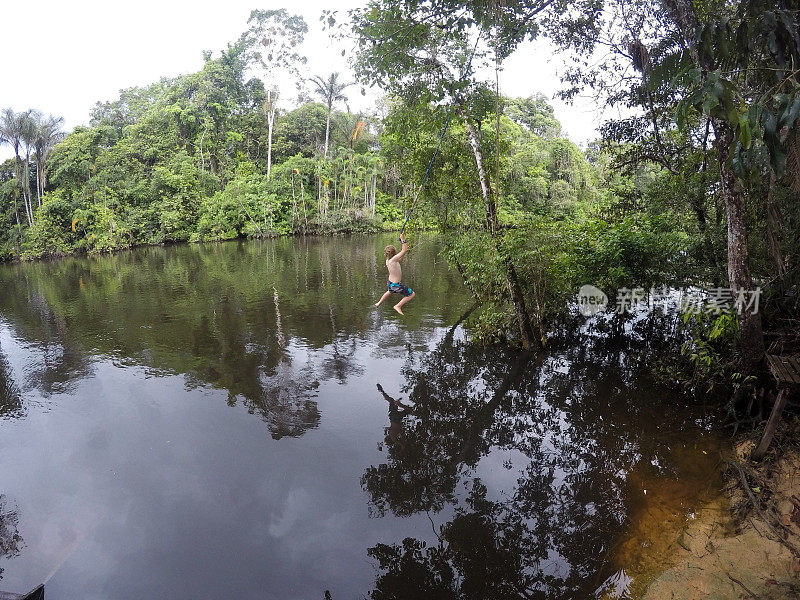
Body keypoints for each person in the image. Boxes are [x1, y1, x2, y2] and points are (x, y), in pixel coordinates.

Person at [374, 232, 416, 315]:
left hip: (390, 283)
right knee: (411, 294)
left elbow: (400, 259)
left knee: (389, 291)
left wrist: (403, 245)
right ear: (394, 253)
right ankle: (398, 306)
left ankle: (379, 303)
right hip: (396, 285)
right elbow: (404, 250)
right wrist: (403, 239)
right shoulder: (393, 259)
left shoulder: (388, 260)